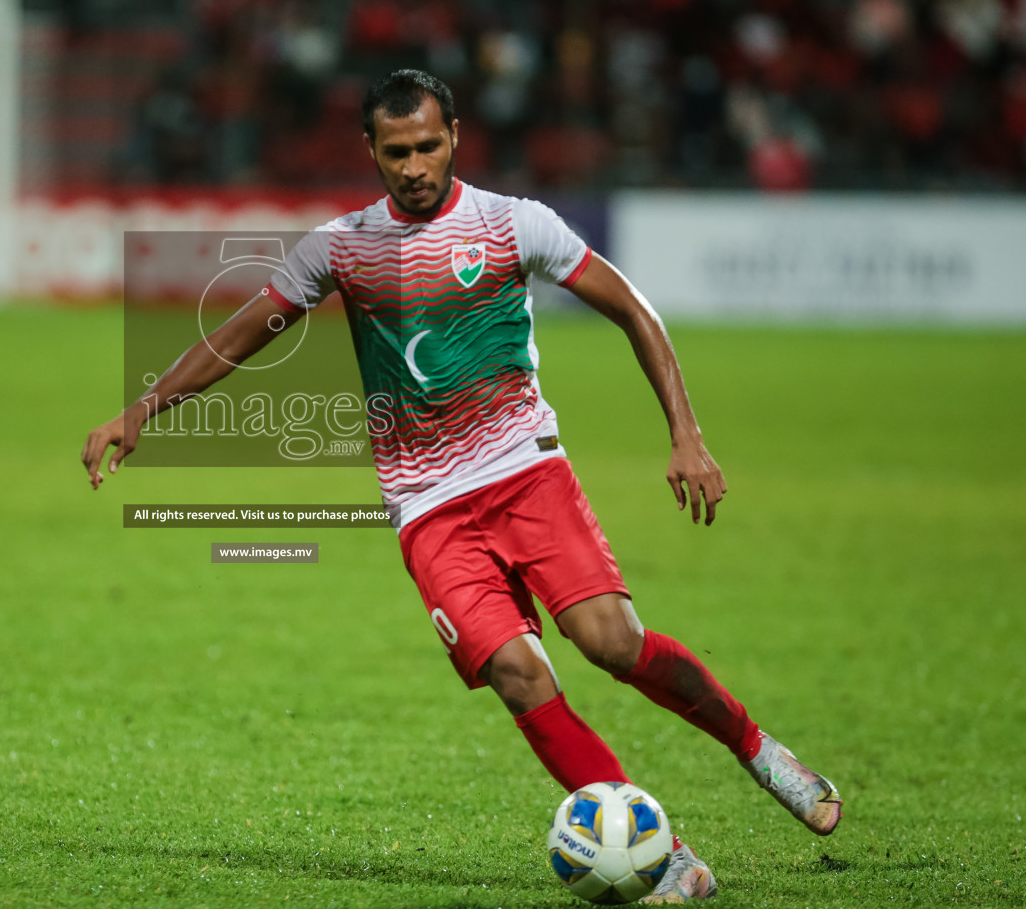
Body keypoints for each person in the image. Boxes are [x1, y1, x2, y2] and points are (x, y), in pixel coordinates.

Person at [82, 69, 842, 903]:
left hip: (525, 472)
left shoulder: (513, 225)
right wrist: (144, 409)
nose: (414, 165)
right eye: (396, 150)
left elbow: (635, 309)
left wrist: (686, 435)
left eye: (429, 145)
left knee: (612, 645)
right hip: (428, 508)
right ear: (370, 150)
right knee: (519, 675)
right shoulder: (339, 248)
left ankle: (759, 751)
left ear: (456, 137)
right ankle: (659, 856)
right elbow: (239, 336)